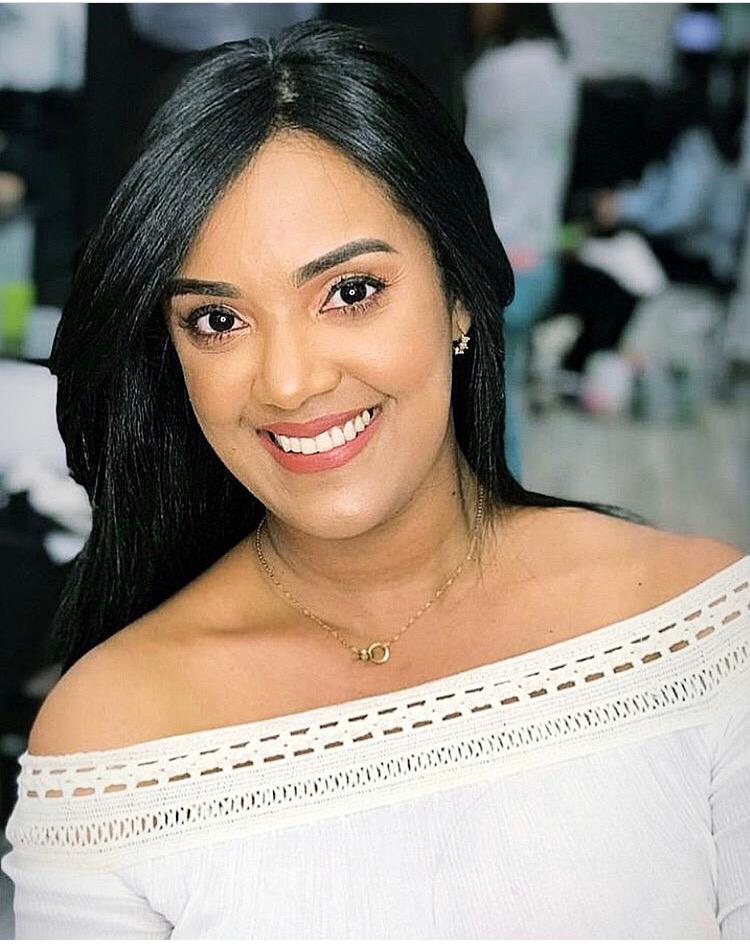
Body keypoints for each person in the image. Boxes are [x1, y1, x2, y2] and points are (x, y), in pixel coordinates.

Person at [1, 21, 747, 940]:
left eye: (350, 292)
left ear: (459, 294)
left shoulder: (702, 632)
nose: (288, 382)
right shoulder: (111, 736)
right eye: (218, 321)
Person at [463, 4, 578, 479]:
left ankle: (499, 498)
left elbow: (469, 164)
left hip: (497, 256)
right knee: (507, 393)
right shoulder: (561, 67)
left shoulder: (494, 72)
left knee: (485, 403)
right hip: (539, 259)